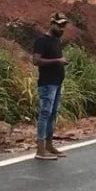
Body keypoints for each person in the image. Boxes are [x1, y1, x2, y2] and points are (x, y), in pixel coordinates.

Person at [32, 12, 70, 160]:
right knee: (45, 113)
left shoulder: (56, 41)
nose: (62, 29)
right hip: (47, 84)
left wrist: (59, 62)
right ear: (52, 24)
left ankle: (49, 144)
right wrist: (57, 61)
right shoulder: (42, 41)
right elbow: (36, 61)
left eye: (63, 26)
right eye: (59, 25)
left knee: (53, 114)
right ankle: (40, 150)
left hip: (57, 83)